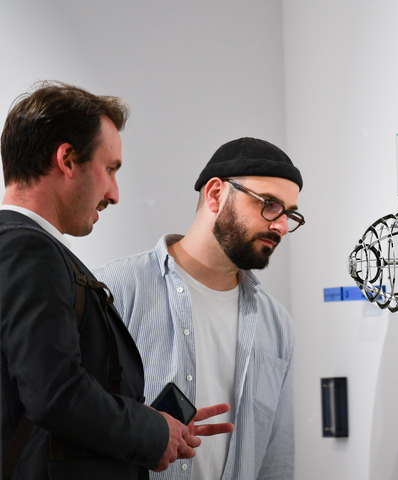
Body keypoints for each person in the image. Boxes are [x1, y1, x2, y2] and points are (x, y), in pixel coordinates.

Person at [0, 81, 231, 480]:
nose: (115, 194)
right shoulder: (29, 251)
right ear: (67, 160)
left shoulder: (23, 248)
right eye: (109, 169)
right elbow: (54, 393)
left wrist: (153, 425)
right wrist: (152, 431)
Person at [94, 137, 303, 479]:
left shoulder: (276, 323)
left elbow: (276, 458)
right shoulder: (116, 289)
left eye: (289, 214)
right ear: (216, 194)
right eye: (269, 204)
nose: (281, 225)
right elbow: (75, 417)